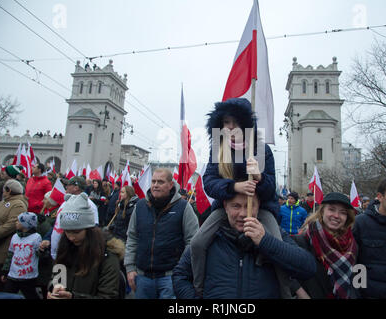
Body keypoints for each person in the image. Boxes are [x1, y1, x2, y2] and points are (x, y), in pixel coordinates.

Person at [190, 98, 289, 298]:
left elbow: (271, 189)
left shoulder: (261, 149)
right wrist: (234, 186)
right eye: (226, 122)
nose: (230, 127)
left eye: (235, 122)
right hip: (227, 207)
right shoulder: (219, 149)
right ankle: (198, 289)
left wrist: (260, 178)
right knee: (197, 243)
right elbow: (209, 183)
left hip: (261, 208)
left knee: (277, 246)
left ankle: (286, 292)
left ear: (245, 124)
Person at [172, 192, 316, 299]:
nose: (242, 213)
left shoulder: (274, 234)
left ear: (258, 206)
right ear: (225, 207)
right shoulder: (209, 237)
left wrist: (265, 242)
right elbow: (180, 275)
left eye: (249, 206)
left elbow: (307, 267)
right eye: (236, 206)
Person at [124, 168, 199, 299]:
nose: (155, 185)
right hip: (142, 277)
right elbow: (132, 238)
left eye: (160, 182)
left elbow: (192, 242)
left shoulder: (183, 207)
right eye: (153, 181)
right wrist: (130, 268)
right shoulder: (140, 206)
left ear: (171, 185)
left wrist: (181, 270)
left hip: (170, 278)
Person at [47, 193, 124, 299]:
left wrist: (73, 297)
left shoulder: (107, 256)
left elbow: (108, 295)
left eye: (76, 232)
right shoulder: (66, 246)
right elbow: (57, 273)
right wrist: (55, 288)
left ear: (89, 229)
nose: (71, 237)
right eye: (67, 232)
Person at [290, 192, 358, 299]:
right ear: (322, 211)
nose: (336, 216)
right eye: (331, 209)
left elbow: (355, 280)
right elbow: (288, 275)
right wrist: (302, 294)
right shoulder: (303, 240)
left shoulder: (352, 244)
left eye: (342, 212)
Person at [41, 176, 99, 260]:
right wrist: (47, 238)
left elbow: (92, 230)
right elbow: (57, 224)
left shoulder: (89, 205)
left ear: (76, 187)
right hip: (58, 252)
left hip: (71, 254)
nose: (66, 187)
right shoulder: (66, 202)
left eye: (69, 185)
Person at [0, 179, 28, 291]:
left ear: (8, 190)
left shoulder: (19, 205)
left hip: (2, 249)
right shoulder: (2, 202)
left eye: (4, 190)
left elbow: (11, 225)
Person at [1, 212, 41, 299]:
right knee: (6, 295)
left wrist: (43, 249)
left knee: (31, 295)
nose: (16, 223)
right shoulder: (15, 236)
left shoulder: (36, 237)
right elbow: (10, 255)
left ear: (25, 224)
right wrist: (5, 271)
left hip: (28, 276)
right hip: (13, 275)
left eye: (18, 221)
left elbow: (40, 254)